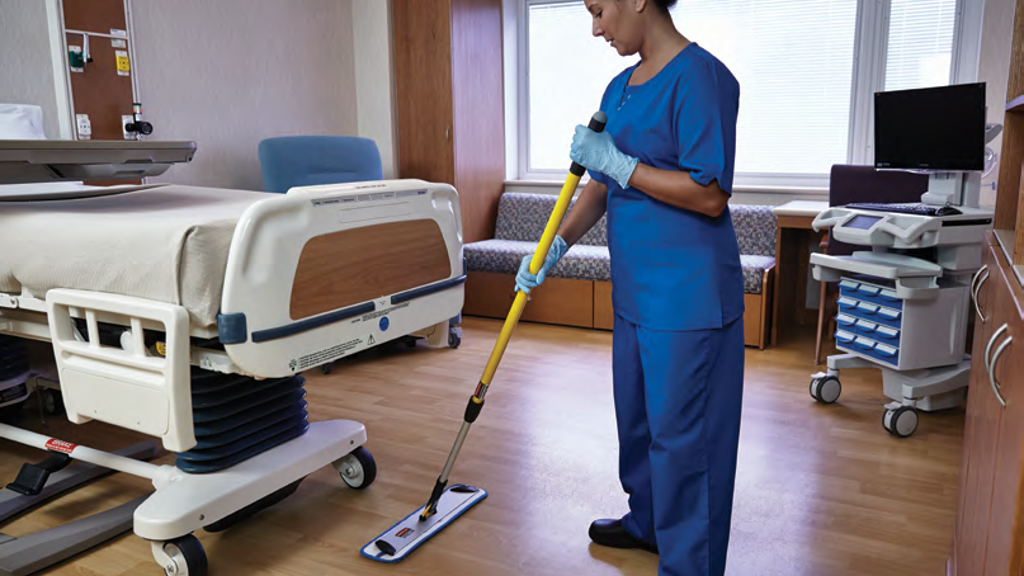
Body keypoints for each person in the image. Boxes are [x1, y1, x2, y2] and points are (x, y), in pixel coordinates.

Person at [514, 1, 745, 575]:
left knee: (684, 443)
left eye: (598, 10)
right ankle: (648, 523)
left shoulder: (701, 78)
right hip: (636, 295)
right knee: (638, 422)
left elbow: (709, 192)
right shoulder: (620, 86)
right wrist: (553, 248)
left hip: (687, 299)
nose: (596, 28)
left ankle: (690, 563)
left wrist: (620, 166)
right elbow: (599, 185)